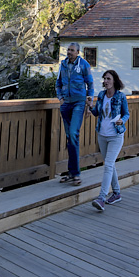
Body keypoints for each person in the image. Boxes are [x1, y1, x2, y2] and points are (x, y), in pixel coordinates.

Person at [90, 70, 130, 211]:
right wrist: (90, 106)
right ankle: (117, 193)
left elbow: (126, 114)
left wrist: (121, 120)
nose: (105, 81)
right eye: (104, 79)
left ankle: (101, 198)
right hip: (102, 134)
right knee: (110, 165)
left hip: (115, 135)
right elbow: (96, 113)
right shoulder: (101, 95)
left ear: (114, 81)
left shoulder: (120, 96)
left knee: (107, 165)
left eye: (108, 78)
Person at [56, 42, 94, 185]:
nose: (69, 52)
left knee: (73, 133)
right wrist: (60, 98)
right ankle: (72, 173)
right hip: (66, 104)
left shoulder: (84, 65)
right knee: (70, 137)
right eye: (68, 50)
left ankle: (76, 173)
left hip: (79, 103)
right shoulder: (63, 65)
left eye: (72, 50)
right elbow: (58, 83)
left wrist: (89, 102)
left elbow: (90, 85)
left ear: (78, 52)